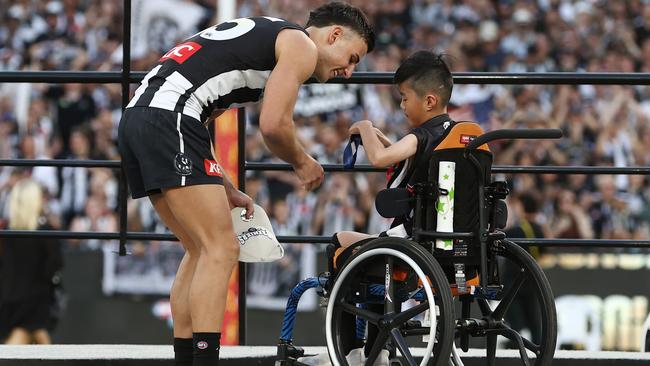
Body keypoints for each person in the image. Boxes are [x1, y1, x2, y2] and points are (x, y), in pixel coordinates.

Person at [117, 3, 374, 366]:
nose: (348, 71)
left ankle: (187, 360)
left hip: (139, 118)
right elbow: (273, 125)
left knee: (199, 249)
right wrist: (303, 161)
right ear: (333, 35)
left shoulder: (270, 35)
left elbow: (206, 113)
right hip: (170, 118)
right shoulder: (301, 47)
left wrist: (223, 184)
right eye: (351, 57)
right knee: (220, 248)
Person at [308, 50, 455, 365]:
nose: (401, 106)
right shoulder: (454, 136)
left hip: (412, 243)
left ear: (428, 101)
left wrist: (363, 127)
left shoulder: (421, 134)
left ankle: (350, 350)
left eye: (404, 98)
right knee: (374, 262)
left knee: (340, 244)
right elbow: (412, 158)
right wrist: (380, 137)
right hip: (451, 242)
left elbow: (380, 160)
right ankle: (379, 351)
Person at [0, 179, 63, 344]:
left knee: (32, 336)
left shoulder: (6, 234)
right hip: (36, 300)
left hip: (9, 300)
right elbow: (55, 264)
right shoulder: (45, 232)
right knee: (29, 337)